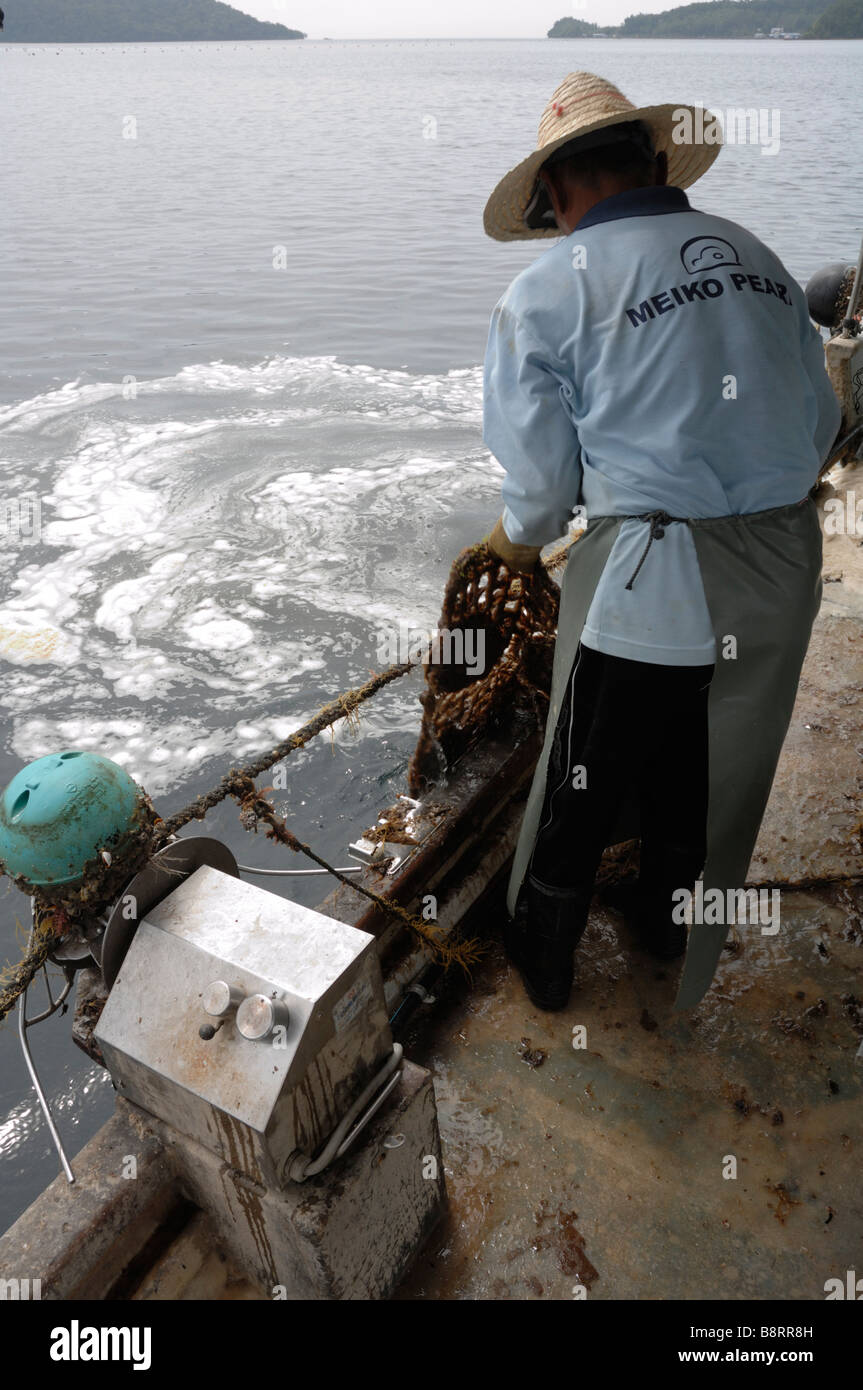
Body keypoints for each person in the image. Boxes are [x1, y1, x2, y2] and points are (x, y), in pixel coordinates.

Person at [479, 72, 841, 1012]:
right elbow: (816, 425)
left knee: (585, 767)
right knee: (711, 757)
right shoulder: (757, 259)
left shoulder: (547, 290)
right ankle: (665, 922)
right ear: (649, 163)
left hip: (655, 577)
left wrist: (514, 543)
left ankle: (546, 954)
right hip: (779, 566)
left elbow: (540, 488)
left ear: (553, 192)